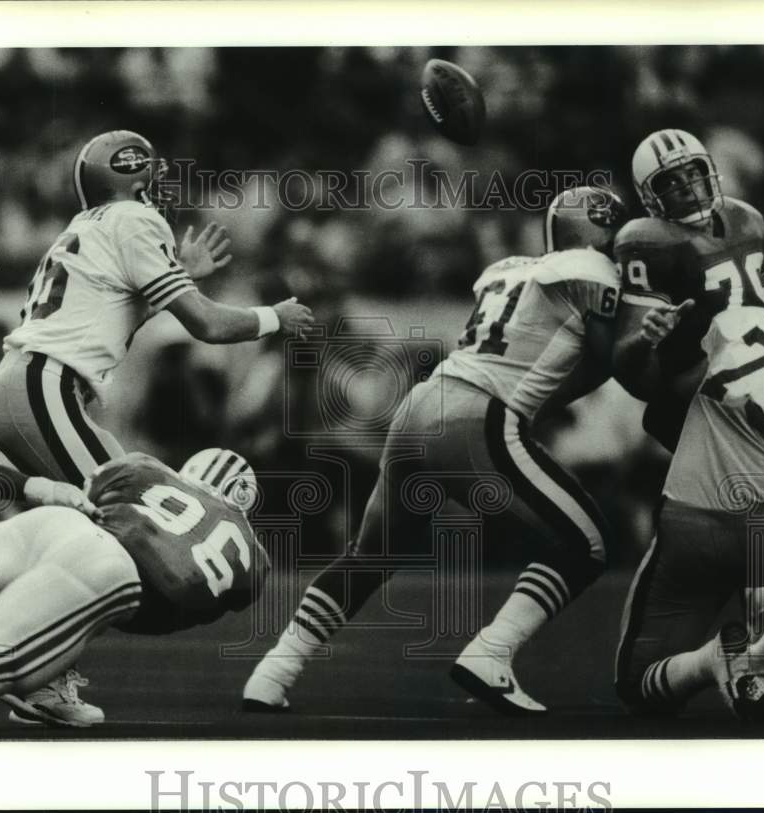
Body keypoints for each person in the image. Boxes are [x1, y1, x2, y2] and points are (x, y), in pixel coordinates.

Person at [243, 186, 626, 715]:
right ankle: (491, 654)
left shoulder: (509, 270)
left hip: (422, 405)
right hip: (476, 419)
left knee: (369, 556)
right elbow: (618, 363)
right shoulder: (591, 271)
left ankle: (272, 672)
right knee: (587, 544)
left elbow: (557, 367)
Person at [0, 129, 311, 724]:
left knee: (81, 534)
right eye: (150, 178)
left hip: (37, 387)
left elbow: (113, 303)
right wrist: (273, 318)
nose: (158, 189)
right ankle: (24, 665)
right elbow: (206, 324)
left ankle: (24, 656)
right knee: (113, 539)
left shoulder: (99, 225)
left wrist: (181, 270)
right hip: (44, 388)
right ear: (135, 180)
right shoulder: (133, 220)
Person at [0, 369, 270, 722]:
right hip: (112, 571)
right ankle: (41, 680)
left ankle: (46, 686)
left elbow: (89, 498)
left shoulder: (146, 467)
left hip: (58, 522)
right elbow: (212, 598)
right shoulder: (254, 558)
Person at [613, 304, 764, 717]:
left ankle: (714, 660)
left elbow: (657, 412)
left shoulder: (741, 317)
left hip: (691, 524)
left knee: (638, 685)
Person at [611, 128, 764, 452]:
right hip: (701, 393)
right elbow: (625, 364)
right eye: (669, 182)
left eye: (692, 173)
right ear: (649, 196)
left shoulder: (745, 219)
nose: (686, 187)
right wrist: (645, 338)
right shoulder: (647, 242)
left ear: (708, 172)